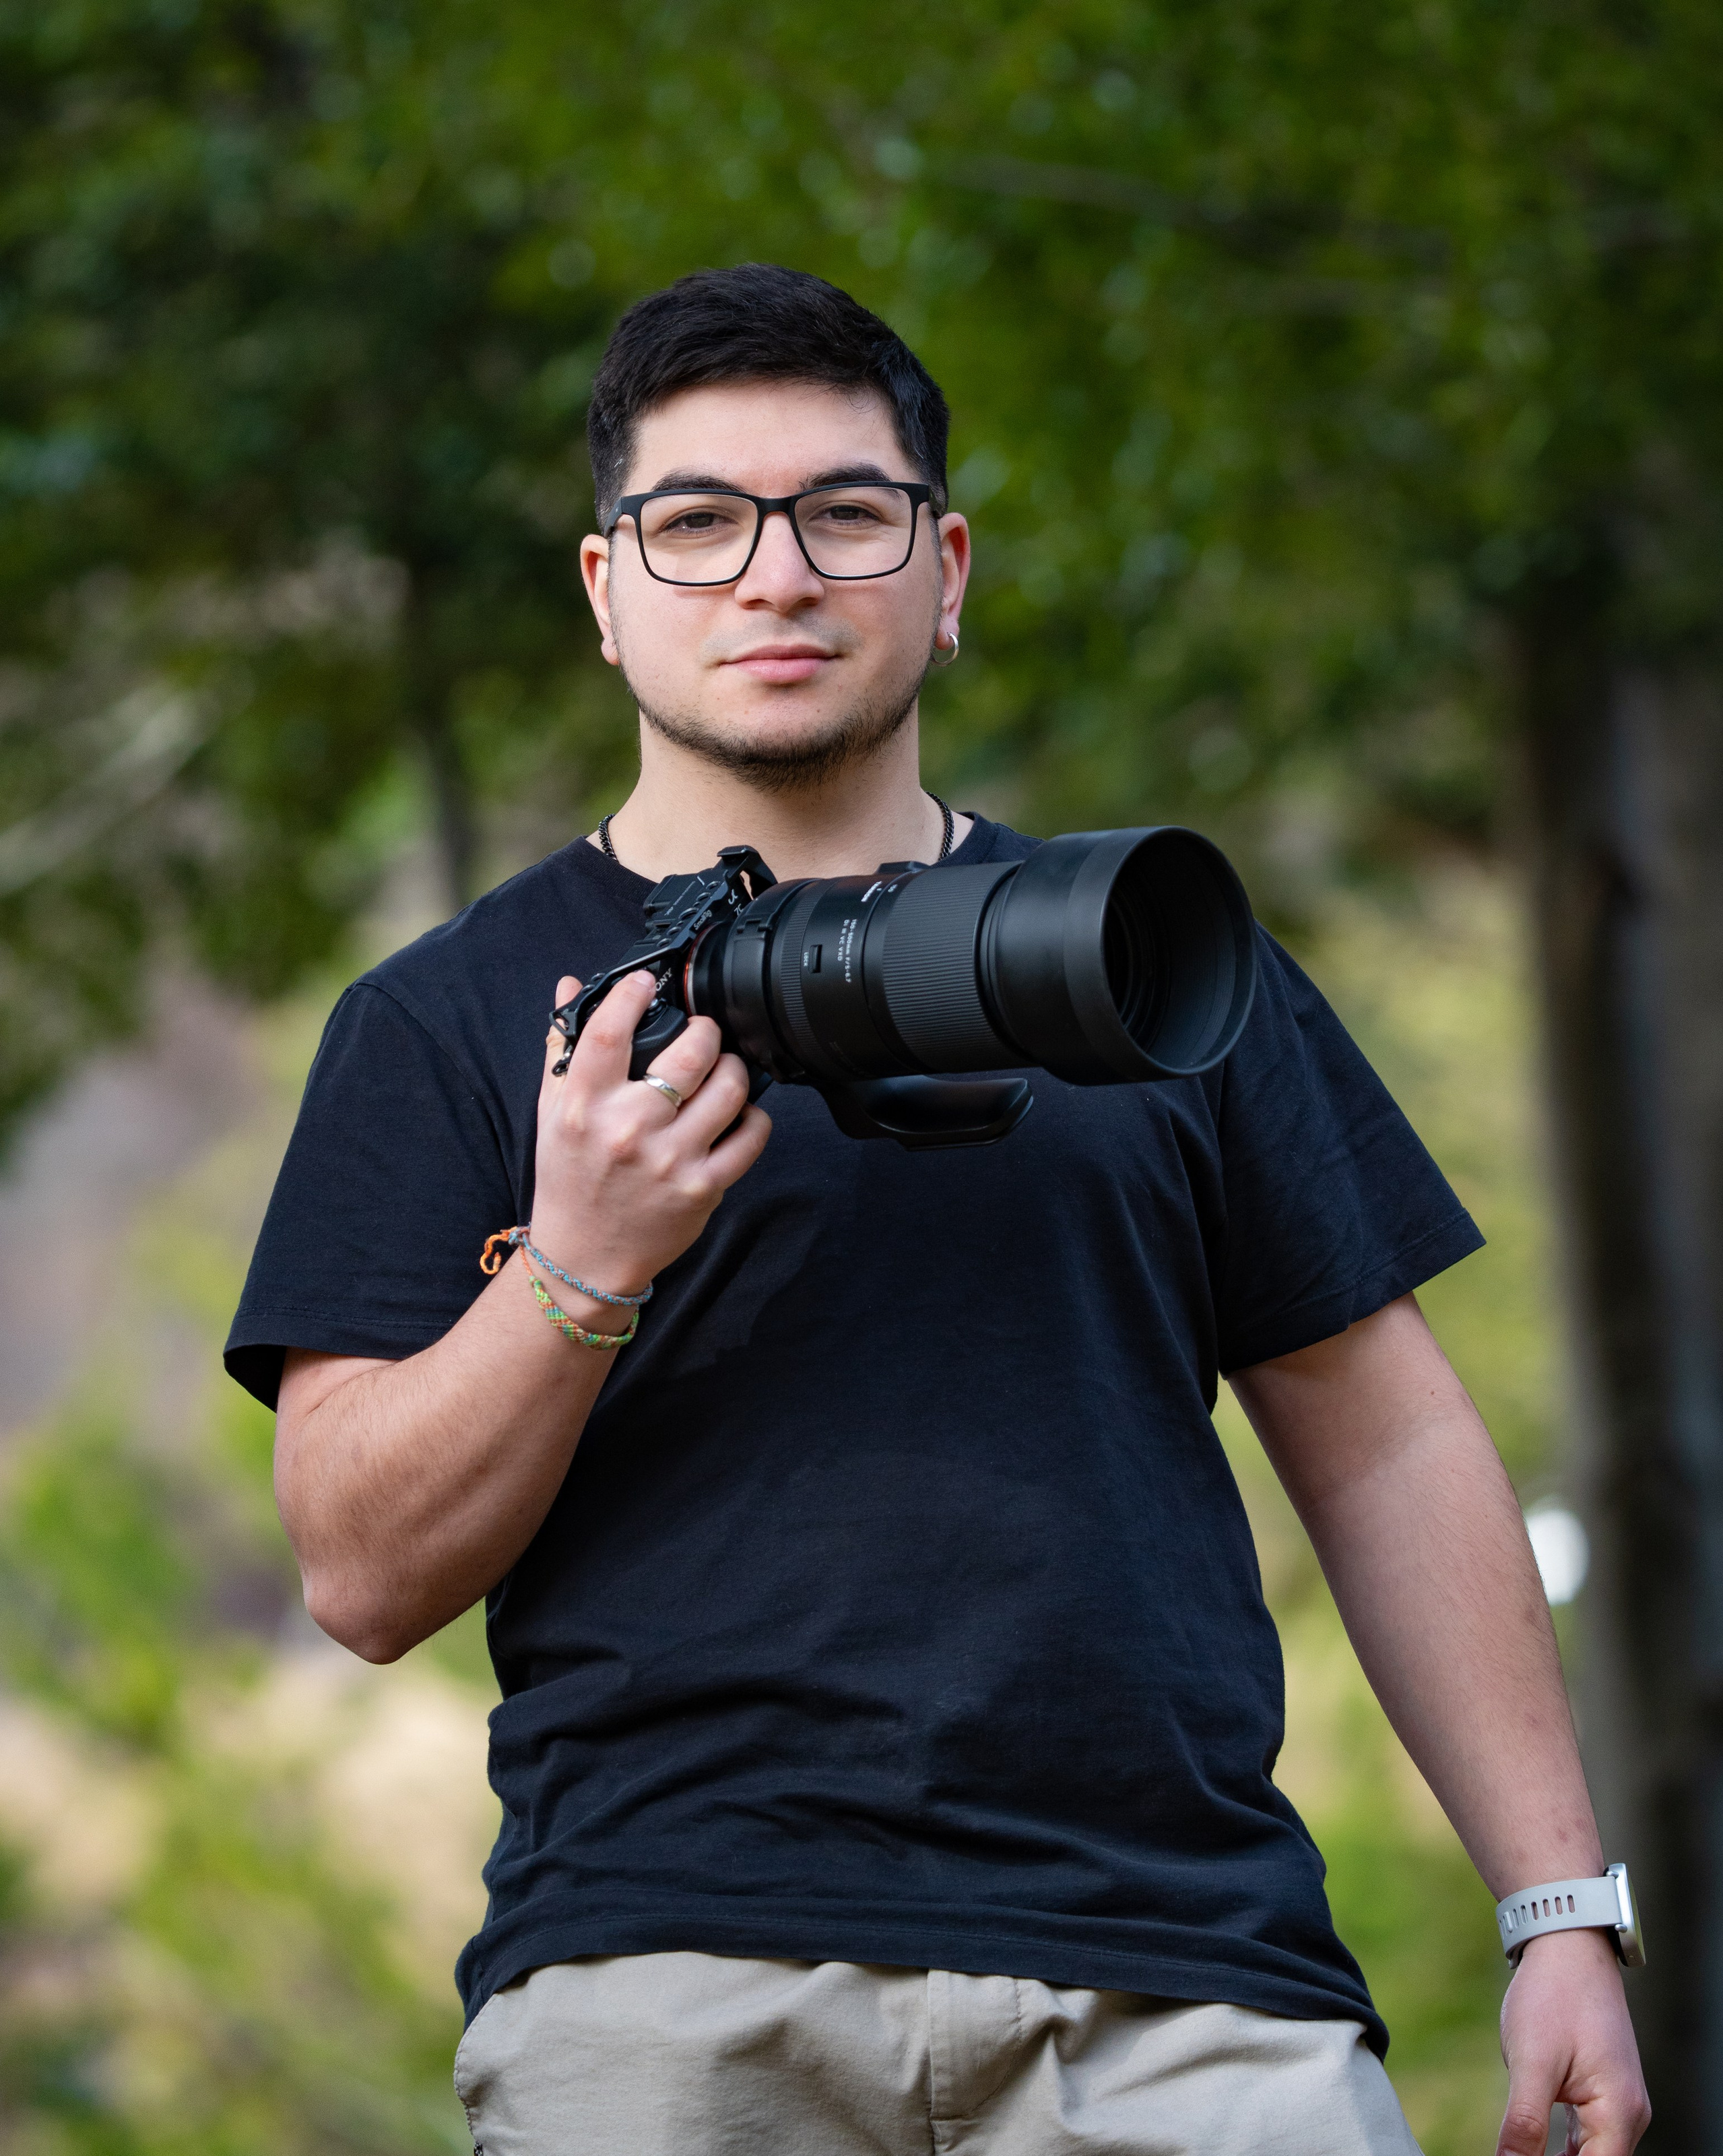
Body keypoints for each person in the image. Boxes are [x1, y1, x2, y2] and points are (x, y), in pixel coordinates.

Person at [226, 265, 1649, 2156]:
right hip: (671, 1994)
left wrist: (1559, 1913)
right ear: (606, 589)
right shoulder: (445, 1021)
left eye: (846, 512)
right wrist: (579, 1265)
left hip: (1190, 1987)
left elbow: (1386, 1443)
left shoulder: (1154, 961)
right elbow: (358, 1571)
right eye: (698, 523)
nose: (777, 575)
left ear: (947, 569)